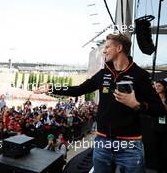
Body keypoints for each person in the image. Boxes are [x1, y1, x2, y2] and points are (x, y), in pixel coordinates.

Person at [35, 33, 166, 172]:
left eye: (107, 47)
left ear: (119, 48)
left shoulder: (140, 75)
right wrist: (52, 88)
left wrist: (136, 105)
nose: (104, 50)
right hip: (102, 144)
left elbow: (160, 110)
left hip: (130, 146)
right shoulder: (103, 74)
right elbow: (78, 89)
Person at [153, 80, 167, 172]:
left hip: (166, 128)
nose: (157, 87)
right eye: (156, 86)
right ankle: (159, 169)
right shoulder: (154, 98)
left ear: (165, 87)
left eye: (159, 86)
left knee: (165, 149)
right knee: (156, 149)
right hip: (156, 126)